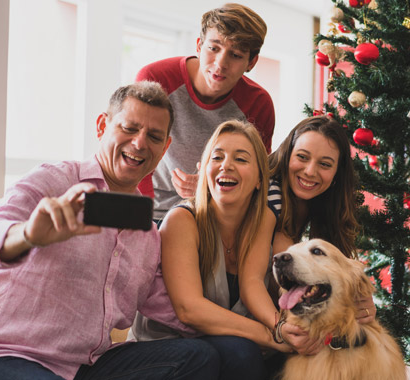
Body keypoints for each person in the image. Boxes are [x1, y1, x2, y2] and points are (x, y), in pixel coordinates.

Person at [0, 82, 219, 380]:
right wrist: (27, 234)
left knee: (202, 355)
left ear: (165, 147)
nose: (140, 143)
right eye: (129, 128)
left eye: (154, 136)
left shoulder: (147, 234)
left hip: (91, 367)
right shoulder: (54, 181)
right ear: (103, 125)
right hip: (7, 355)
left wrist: (258, 325)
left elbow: (175, 310)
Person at [129, 120, 290, 380]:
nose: (226, 165)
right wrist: (268, 334)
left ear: (260, 179)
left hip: (224, 344)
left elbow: (259, 288)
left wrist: (282, 328)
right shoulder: (182, 219)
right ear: (204, 169)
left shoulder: (263, 227)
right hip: (165, 348)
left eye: (241, 159)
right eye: (217, 157)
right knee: (243, 353)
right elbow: (188, 309)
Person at [239, 115, 377, 357]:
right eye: (302, 157)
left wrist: (362, 303)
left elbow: (334, 275)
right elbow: (250, 282)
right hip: (241, 314)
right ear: (287, 154)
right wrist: (281, 328)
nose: (310, 171)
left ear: (337, 173)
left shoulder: (324, 207)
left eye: (325, 164)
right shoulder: (270, 194)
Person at [135, 3, 275, 223]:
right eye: (214, 48)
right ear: (199, 46)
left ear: (252, 62)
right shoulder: (156, 78)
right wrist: (141, 216)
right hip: (149, 208)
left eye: (236, 55)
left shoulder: (258, 104)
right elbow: (135, 148)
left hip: (215, 216)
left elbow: (256, 178)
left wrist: (211, 188)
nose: (220, 64)